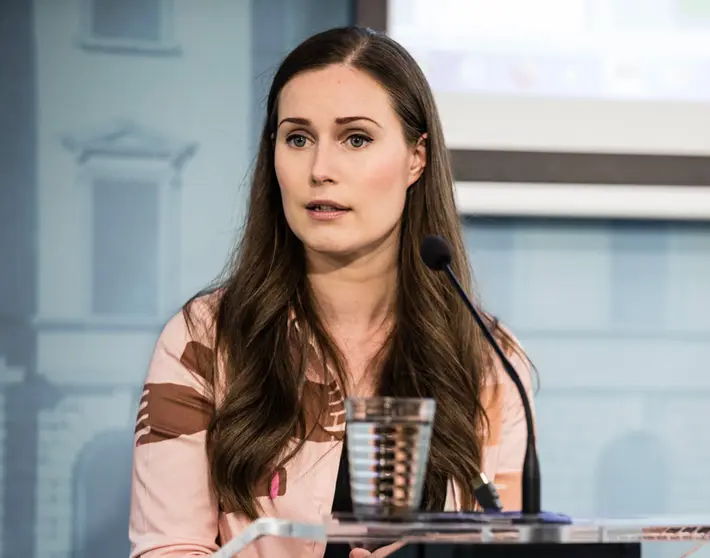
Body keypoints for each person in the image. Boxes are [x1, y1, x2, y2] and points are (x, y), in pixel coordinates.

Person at [129, 26, 535, 558]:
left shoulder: (488, 360)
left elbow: (506, 545)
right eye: (297, 138)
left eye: (356, 139)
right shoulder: (205, 341)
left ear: (417, 157)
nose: (320, 170)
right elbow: (167, 548)